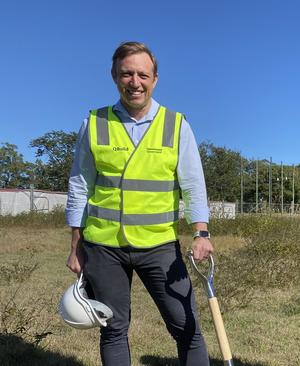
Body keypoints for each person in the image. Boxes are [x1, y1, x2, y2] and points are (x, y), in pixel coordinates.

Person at [65, 41, 214, 366]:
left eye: (142, 74)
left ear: (155, 79)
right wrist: (76, 242)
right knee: (114, 330)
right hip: (104, 246)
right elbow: (80, 185)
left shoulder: (176, 125)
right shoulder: (94, 122)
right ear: (114, 76)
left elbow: (193, 184)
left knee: (187, 327)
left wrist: (201, 232)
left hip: (159, 245)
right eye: (127, 74)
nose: (135, 82)